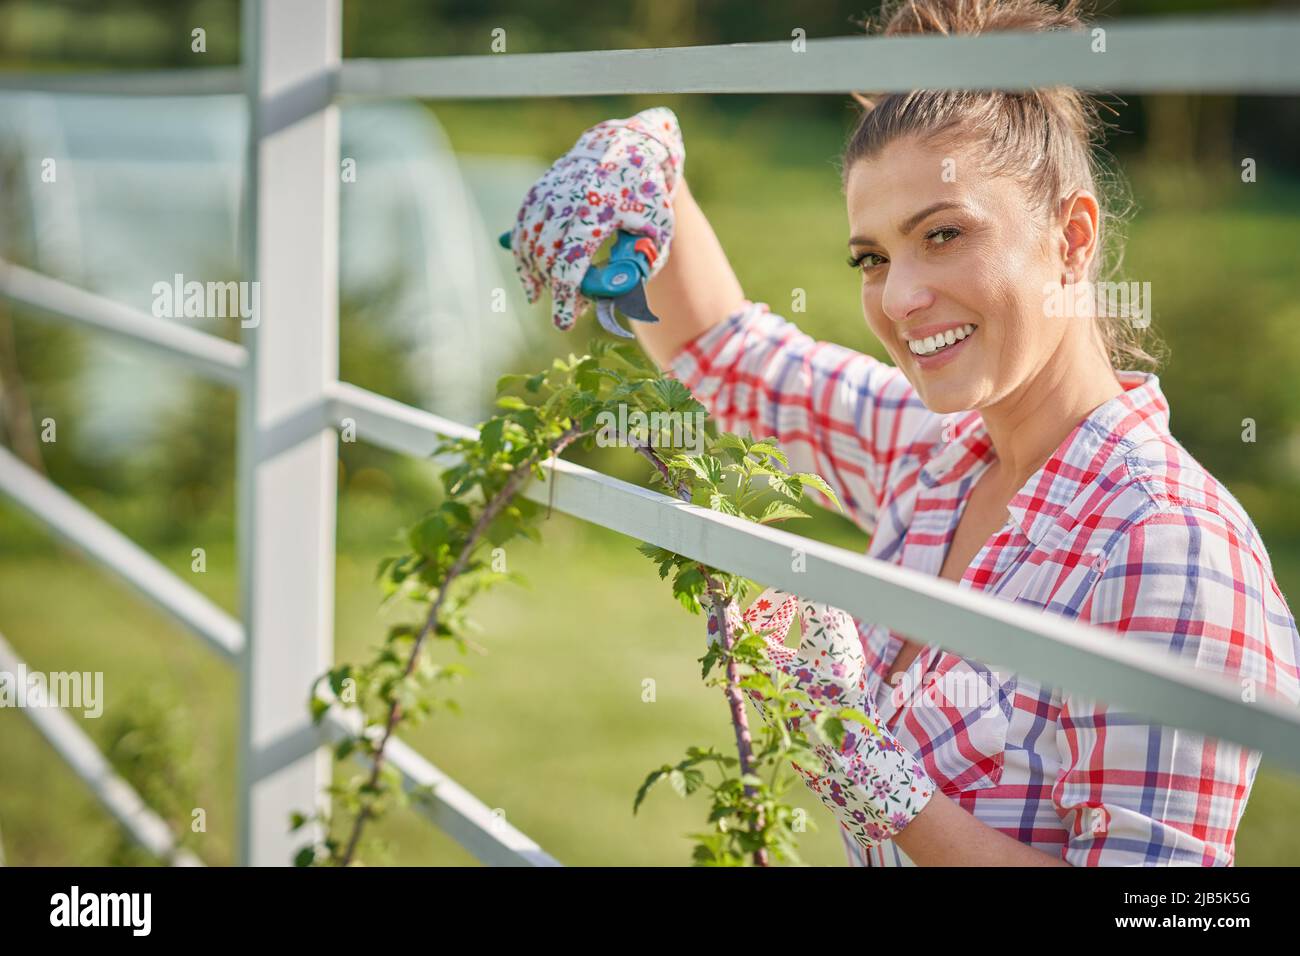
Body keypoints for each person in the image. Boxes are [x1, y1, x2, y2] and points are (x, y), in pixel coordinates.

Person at [507, 0, 1300, 866]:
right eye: (873, 257)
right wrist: (642, 166)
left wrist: (867, 768)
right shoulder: (931, 453)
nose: (899, 297)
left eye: (944, 235)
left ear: (1071, 239)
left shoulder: (1168, 545)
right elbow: (723, 352)